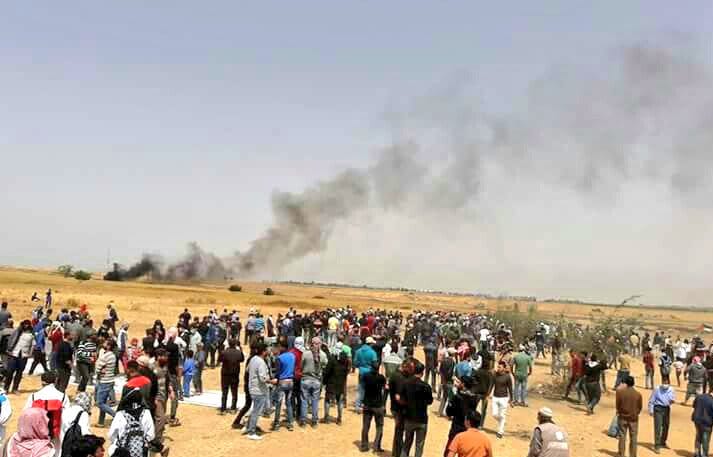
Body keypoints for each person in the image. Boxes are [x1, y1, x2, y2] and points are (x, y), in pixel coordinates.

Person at [25, 371, 70, 455]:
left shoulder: (34, 396)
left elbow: (26, 415)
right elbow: (67, 417)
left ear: (42, 382)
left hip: (38, 432)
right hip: (56, 432)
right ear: (55, 380)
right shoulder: (63, 396)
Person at [107, 389, 155, 457]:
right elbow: (151, 435)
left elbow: (111, 435)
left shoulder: (120, 414)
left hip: (122, 453)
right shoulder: (146, 413)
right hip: (142, 452)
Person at [400, 361, 433, 457]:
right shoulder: (426, 386)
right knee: (419, 446)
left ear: (413, 371)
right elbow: (430, 401)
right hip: (422, 419)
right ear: (422, 372)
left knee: (406, 444)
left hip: (409, 417)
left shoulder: (406, 383)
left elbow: (402, 398)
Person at [245, 343, 276, 440]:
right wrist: (272, 381)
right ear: (263, 352)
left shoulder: (253, 359)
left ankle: (248, 426)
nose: (268, 351)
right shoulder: (261, 362)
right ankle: (251, 431)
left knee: (255, 409)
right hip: (259, 390)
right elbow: (263, 378)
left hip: (252, 388)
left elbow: (247, 370)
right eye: (267, 350)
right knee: (256, 411)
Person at [300, 337, 328, 427]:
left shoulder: (306, 354)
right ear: (320, 344)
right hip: (316, 381)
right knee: (315, 401)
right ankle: (314, 421)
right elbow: (324, 365)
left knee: (304, 401)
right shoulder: (323, 355)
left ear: (312, 343)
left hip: (305, 379)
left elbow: (301, 365)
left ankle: (303, 421)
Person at [360, 361, 386, 453]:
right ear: (378, 368)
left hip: (367, 404)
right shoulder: (381, 378)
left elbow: (362, 386)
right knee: (379, 426)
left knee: (366, 426)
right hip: (378, 405)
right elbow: (384, 389)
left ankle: (364, 446)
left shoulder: (366, 376)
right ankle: (376, 446)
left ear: (371, 367)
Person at [5, 320, 34, 393]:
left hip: (24, 356)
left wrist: (30, 353)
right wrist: (9, 349)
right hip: (14, 354)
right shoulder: (17, 332)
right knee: (10, 372)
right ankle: (6, 387)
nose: (26, 326)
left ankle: (15, 388)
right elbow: (11, 340)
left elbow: (33, 345)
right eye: (25, 324)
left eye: (27, 324)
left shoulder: (31, 334)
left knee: (19, 373)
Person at [616, 376, 642, 457]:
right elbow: (639, 407)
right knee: (633, 438)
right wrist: (635, 413)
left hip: (622, 417)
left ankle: (621, 454)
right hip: (633, 418)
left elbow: (618, 405)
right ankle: (633, 455)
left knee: (622, 436)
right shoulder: (638, 394)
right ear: (633, 383)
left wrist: (620, 412)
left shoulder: (620, 393)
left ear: (626, 383)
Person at [272, 340, 295, 431]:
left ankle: (276, 424)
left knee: (278, 403)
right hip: (291, 381)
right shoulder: (292, 356)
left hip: (282, 382)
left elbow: (277, 372)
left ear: (282, 347)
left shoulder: (279, 358)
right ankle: (290, 423)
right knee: (288, 403)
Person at [323, 348, 349, 425]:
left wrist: (324, 381)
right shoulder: (345, 362)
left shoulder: (332, 361)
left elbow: (327, 372)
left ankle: (326, 418)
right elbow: (345, 374)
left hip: (331, 384)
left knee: (327, 400)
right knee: (339, 402)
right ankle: (339, 419)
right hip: (340, 384)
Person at [95, 339, 117, 428]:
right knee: (103, 402)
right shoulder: (111, 355)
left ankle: (115, 415)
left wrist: (100, 369)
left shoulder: (106, 356)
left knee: (100, 403)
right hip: (108, 380)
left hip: (105, 381)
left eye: (105, 343)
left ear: (108, 346)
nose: (103, 344)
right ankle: (101, 422)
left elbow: (97, 368)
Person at [648, 382, 675, 453]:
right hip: (658, 409)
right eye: (664, 383)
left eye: (667, 383)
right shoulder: (657, 389)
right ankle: (657, 445)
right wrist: (651, 410)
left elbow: (672, 399)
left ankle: (663, 442)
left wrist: (671, 401)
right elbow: (651, 400)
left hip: (666, 409)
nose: (665, 385)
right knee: (658, 427)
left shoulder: (671, 389)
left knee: (666, 425)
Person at [353, 337, 378, 411]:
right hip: (370, 372)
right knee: (369, 390)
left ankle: (357, 406)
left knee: (360, 389)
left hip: (361, 371)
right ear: (370, 344)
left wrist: (360, 366)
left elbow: (355, 363)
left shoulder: (358, 351)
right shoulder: (372, 352)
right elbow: (375, 364)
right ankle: (366, 405)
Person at [491, 360, 513, 439]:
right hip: (495, 397)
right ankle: (502, 421)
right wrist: (488, 394)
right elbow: (492, 385)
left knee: (502, 415)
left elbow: (510, 388)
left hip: (504, 398)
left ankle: (500, 431)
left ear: (504, 368)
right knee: (494, 414)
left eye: (500, 367)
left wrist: (511, 399)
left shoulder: (507, 376)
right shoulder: (495, 375)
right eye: (498, 367)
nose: (498, 368)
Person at [692, 388, 713, 457]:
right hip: (707, 423)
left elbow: (694, 405)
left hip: (697, 421)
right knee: (705, 440)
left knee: (698, 436)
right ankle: (704, 455)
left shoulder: (700, 396)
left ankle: (697, 453)